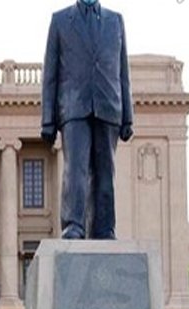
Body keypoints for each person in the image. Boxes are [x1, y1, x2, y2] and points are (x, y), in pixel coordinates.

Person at [41, 0, 133, 240]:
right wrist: (47, 120)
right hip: (73, 105)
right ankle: (74, 224)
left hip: (108, 105)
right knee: (75, 169)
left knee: (105, 171)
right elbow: (50, 73)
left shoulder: (115, 21)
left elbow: (123, 72)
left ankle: (104, 227)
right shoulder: (60, 20)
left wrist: (128, 116)